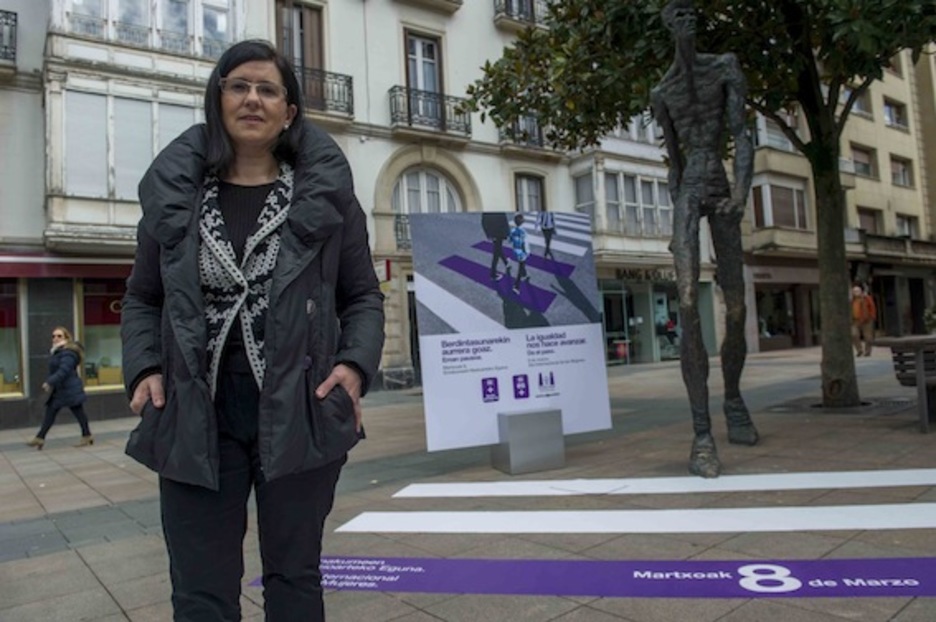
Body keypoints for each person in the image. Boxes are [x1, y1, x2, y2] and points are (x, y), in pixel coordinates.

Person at [120, 40, 384, 621]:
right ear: (218, 100)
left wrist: (354, 367)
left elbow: (362, 296)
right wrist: (143, 367)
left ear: (289, 111)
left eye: (268, 89)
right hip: (196, 410)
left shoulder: (329, 198)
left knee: (294, 577)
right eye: (238, 86)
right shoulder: (175, 195)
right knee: (200, 588)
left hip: (301, 404)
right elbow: (142, 296)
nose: (252, 99)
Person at [651, 0, 758, 478]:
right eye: (679, 12)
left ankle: (732, 396)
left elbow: (742, 132)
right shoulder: (663, 91)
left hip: (721, 186)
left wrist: (740, 192)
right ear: (668, 23)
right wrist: (679, 225)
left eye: (693, 11)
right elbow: (674, 163)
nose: (689, 17)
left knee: (735, 306)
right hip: (690, 190)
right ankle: (701, 433)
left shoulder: (725, 67)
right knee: (689, 300)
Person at [26, 326, 93, 450]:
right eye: (53, 336)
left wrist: (50, 382)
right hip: (61, 389)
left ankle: (86, 435)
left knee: (77, 413)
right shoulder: (59, 352)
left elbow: (64, 370)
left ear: (67, 338)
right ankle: (40, 437)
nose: (55, 338)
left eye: (59, 336)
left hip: (69, 389)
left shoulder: (68, 353)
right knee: (52, 413)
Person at [481, 212, 511, 280]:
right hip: (499, 233)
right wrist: (507, 233)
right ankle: (493, 273)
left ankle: (506, 263)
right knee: (496, 253)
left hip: (493, 233)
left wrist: (488, 234)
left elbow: (484, 222)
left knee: (498, 249)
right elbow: (504, 220)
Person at [851, 284, 877, 356]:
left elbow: (872, 307)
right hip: (855, 320)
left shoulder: (866, 298)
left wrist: (872, 317)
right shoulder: (852, 300)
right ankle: (859, 350)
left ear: (861, 291)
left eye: (857, 291)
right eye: (854, 291)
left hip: (867, 320)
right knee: (854, 334)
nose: (856, 293)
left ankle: (867, 351)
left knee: (868, 337)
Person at [508, 213, 530, 294]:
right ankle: (516, 286)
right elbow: (525, 244)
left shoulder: (512, 230)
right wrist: (527, 252)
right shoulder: (524, 232)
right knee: (520, 267)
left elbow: (509, 240)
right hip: (522, 253)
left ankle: (525, 274)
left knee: (522, 264)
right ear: (522, 222)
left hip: (515, 251)